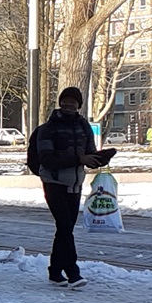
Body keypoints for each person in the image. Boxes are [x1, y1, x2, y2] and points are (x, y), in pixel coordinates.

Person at [32, 86, 116, 289]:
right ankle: (73, 272)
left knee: (65, 228)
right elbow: (47, 159)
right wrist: (80, 158)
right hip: (54, 183)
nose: (68, 104)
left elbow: (89, 154)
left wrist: (101, 158)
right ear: (60, 103)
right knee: (64, 226)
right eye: (65, 100)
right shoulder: (47, 129)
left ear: (79, 105)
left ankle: (54, 271)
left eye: (73, 101)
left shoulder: (83, 126)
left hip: (75, 184)